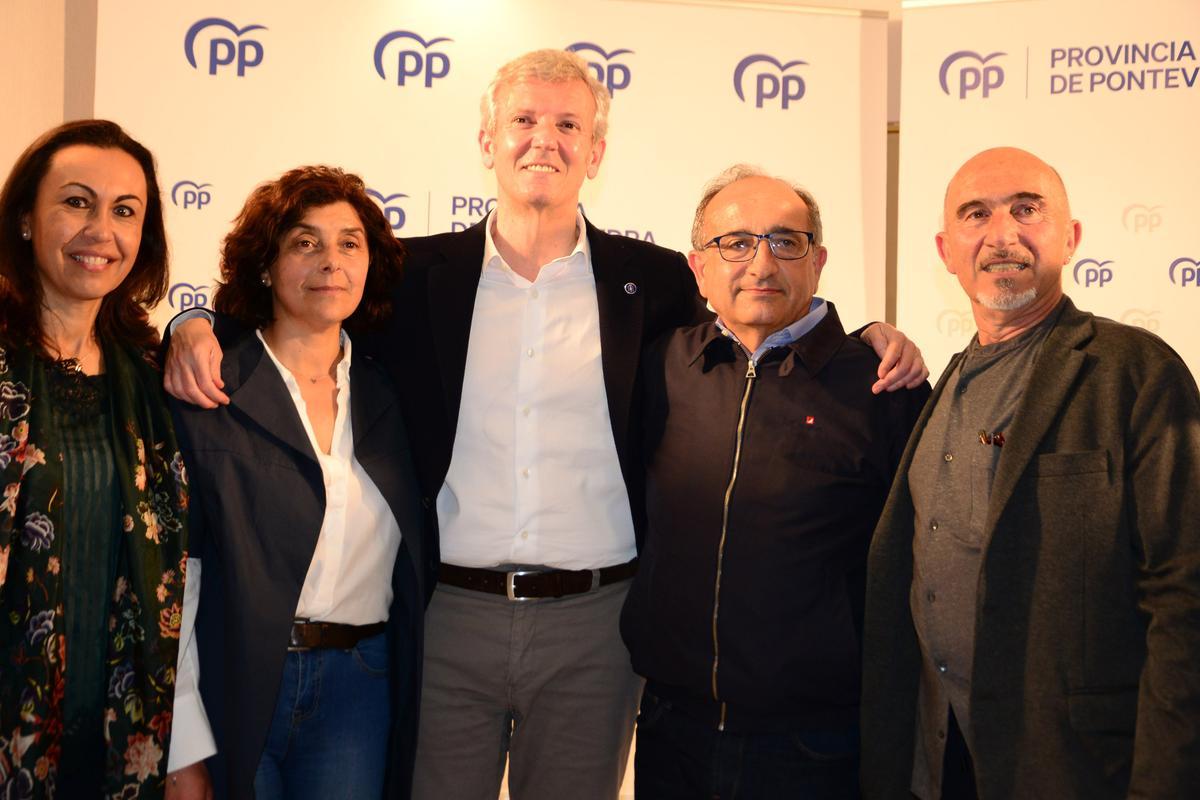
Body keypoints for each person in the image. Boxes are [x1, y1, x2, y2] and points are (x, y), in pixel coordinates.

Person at [164, 49, 925, 800]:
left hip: (594, 631)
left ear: (595, 151)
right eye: (523, 119)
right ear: (487, 140)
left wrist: (868, 341)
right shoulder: (411, 273)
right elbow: (294, 312)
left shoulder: (656, 281)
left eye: (568, 124)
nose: (544, 139)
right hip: (446, 618)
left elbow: (757, 335)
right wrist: (194, 325)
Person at [860, 147, 1200, 799]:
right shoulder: (939, 388)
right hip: (938, 760)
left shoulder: (1133, 371)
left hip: (1073, 765)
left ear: (1070, 238)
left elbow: (1185, 593)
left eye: (1027, 209)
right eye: (976, 214)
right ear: (945, 250)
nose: (1002, 234)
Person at [621, 165, 929, 799]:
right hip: (671, 727)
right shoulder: (659, 366)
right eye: (735, 243)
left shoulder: (883, 385)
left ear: (817, 261)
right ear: (698, 267)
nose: (761, 262)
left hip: (816, 742)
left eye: (785, 241)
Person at [168, 166, 428, 800]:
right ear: (266, 263)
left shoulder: (395, 391)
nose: (329, 262)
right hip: (238, 675)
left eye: (349, 243)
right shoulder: (210, 386)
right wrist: (181, 744)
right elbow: (178, 577)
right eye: (304, 242)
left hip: (360, 686)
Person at [0, 119, 207, 798]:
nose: (101, 230)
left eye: (125, 211)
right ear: (27, 218)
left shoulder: (151, 378)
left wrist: (191, 322)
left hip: (122, 740)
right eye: (76, 202)